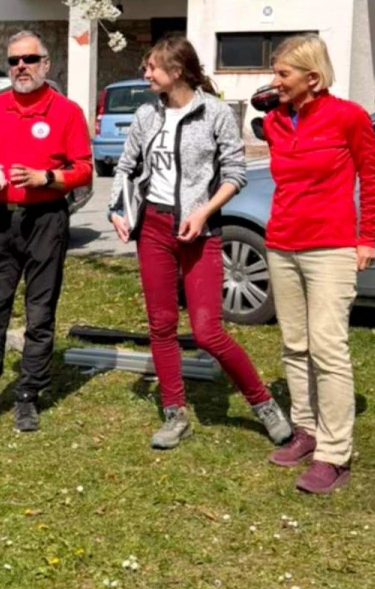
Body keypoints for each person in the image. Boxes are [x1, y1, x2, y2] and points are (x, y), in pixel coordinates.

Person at [106, 35, 291, 450]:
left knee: (207, 332)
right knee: (161, 325)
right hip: (153, 228)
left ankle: (263, 403)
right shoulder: (146, 115)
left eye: (152, 67)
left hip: (200, 231)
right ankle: (175, 412)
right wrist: (118, 209)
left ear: (176, 71)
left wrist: (204, 212)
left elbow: (235, 173)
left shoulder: (215, 113)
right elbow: (126, 166)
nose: (145, 74)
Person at [0, 30, 93, 439]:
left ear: (46, 64)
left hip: (46, 220)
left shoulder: (66, 112)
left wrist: (48, 177)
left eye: (29, 59)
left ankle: (28, 395)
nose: (21, 67)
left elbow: (84, 169)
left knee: (40, 313)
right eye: (14, 61)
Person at [261, 35, 375, 494]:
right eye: (275, 73)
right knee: (294, 345)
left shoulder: (349, 117)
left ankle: (335, 453)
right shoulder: (274, 121)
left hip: (330, 247)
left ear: (312, 77)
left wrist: (367, 238)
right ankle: (306, 430)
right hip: (282, 243)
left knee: (328, 348)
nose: (275, 82)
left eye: (283, 74)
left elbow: (371, 178)